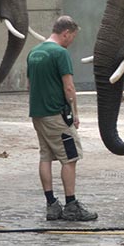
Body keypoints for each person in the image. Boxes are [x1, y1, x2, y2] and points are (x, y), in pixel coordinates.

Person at [27, 15, 97, 221]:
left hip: (38, 115)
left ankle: (51, 205)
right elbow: (69, 87)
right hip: (56, 116)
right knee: (70, 157)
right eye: (72, 37)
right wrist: (75, 113)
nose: (71, 41)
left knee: (45, 157)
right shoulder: (60, 53)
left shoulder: (33, 52)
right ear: (66, 33)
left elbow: (30, 86)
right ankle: (71, 205)